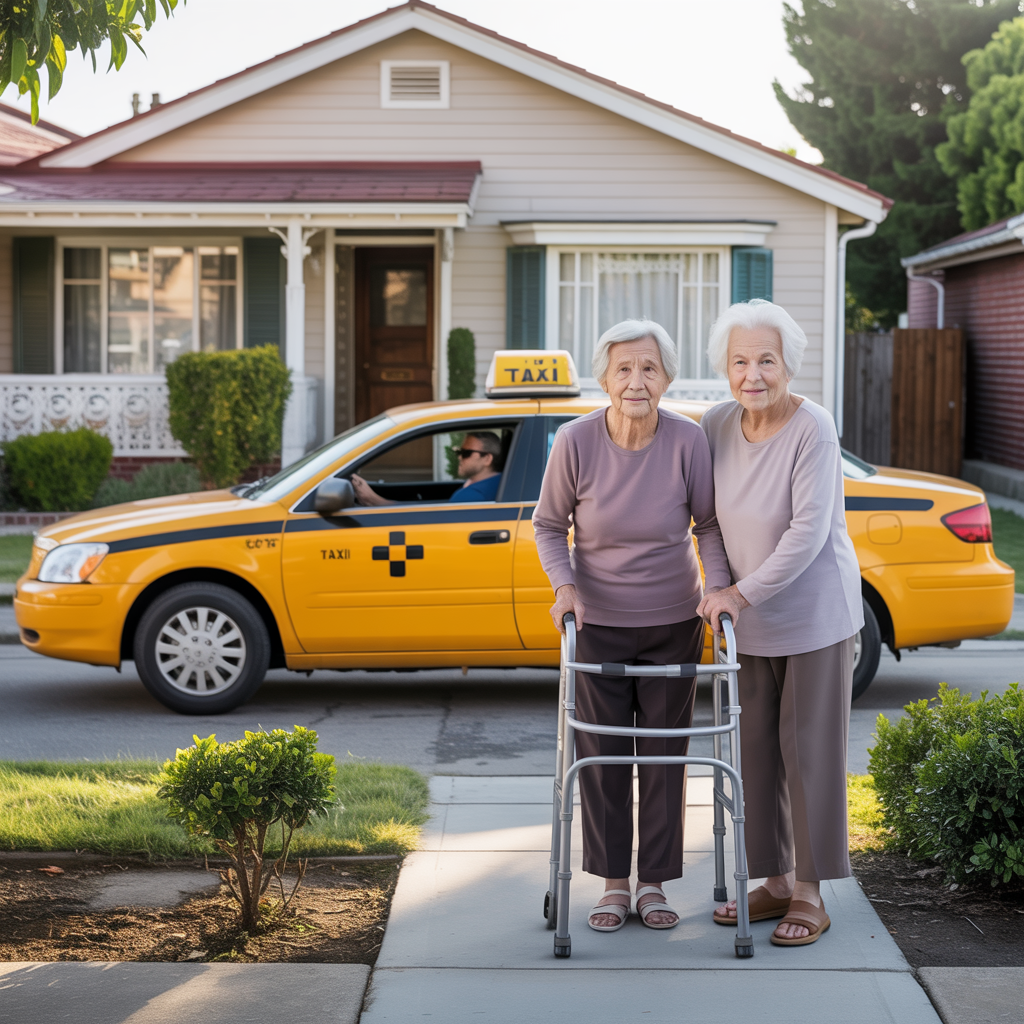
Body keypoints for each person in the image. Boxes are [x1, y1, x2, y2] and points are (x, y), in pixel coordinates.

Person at [533, 319, 730, 932]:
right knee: (603, 757)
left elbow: (708, 526)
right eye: (624, 368)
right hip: (597, 623)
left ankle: (654, 884)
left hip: (674, 619)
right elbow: (547, 525)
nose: (636, 381)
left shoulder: (687, 440)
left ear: (667, 377)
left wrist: (719, 589)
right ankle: (614, 883)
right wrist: (564, 588)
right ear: (605, 377)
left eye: (649, 368)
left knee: (666, 759)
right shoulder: (575, 441)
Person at [696, 298, 862, 947]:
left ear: (789, 363)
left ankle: (811, 893)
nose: (753, 373)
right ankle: (771, 881)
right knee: (755, 753)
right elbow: (706, 521)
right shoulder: (715, 424)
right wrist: (718, 589)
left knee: (810, 756)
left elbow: (806, 533)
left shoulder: (812, 427)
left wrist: (740, 592)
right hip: (746, 620)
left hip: (814, 615)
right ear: (725, 367)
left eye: (766, 359)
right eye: (740, 360)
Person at [351, 431, 502, 506]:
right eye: (458, 451)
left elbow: (426, 520)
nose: (459, 457)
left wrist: (372, 499)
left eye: (466, 453)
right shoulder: (498, 482)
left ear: (487, 459)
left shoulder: (473, 497)